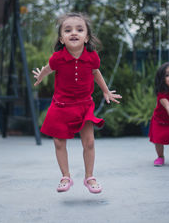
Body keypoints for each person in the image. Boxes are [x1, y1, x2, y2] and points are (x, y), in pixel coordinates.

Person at [33, 12, 121, 194]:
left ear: (86, 37)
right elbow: (49, 68)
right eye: (68, 30)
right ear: (62, 39)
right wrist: (41, 76)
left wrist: (105, 90)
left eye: (79, 29)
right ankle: (65, 176)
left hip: (84, 105)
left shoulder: (92, 57)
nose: (74, 32)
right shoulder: (57, 57)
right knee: (58, 142)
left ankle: (89, 177)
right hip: (61, 105)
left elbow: (95, 72)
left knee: (89, 142)